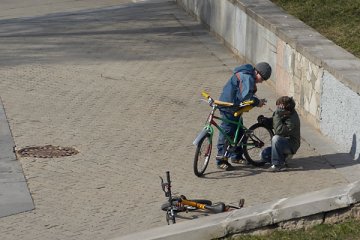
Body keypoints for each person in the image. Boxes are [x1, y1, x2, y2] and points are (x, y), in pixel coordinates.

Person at [216, 62, 272, 171]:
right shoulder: (247, 77)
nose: (261, 81)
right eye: (262, 78)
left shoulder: (247, 74)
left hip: (234, 106)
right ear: (257, 72)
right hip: (229, 106)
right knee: (227, 132)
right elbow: (246, 97)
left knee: (239, 130)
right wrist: (257, 102)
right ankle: (221, 160)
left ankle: (236, 156)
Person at [260, 96, 301, 172]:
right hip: (282, 142)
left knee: (276, 138)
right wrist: (266, 121)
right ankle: (284, 158)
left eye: (279, 107)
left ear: (284, 107)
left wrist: (277, 114)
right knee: (264, 155)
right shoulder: (284, 113)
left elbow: (279, 130)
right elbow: (276, 123)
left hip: (291, 144)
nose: (277, 109)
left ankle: (278, 165)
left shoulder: (292, 119)